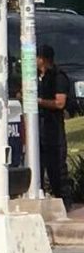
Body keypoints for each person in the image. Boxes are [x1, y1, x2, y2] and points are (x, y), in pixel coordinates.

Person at [37, 45, 73, 210]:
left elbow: (60, 103)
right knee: (38, 167)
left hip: (53, 129)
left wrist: (39, 101)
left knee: (57, 169)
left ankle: (65, 204)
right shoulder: (36, 77)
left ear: (42, 59)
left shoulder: (58, 77)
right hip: (38, 128)